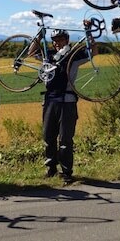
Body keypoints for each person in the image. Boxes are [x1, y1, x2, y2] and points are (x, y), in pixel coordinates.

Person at [35, 24, 93, 184]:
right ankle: (51, 168)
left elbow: (92, 52)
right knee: (48, 136)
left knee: (66, 139)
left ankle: (67, 172)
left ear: (67, 40)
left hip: (67, 101)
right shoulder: (49, 55)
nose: (57, 43)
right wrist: (39, 35)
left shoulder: (74, 54)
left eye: (60, 39)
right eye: (54, 40)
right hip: (50, 101)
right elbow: (31, 53)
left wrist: (89, 33)